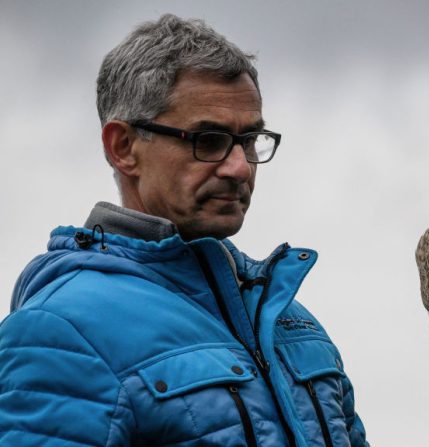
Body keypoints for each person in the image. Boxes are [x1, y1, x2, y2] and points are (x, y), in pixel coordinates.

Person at [0, 14, 368, 447]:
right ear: (123, 147)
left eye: (249, 139)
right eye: (208, 140)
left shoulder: (291, 321)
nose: (238, 167)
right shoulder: (60, 331)